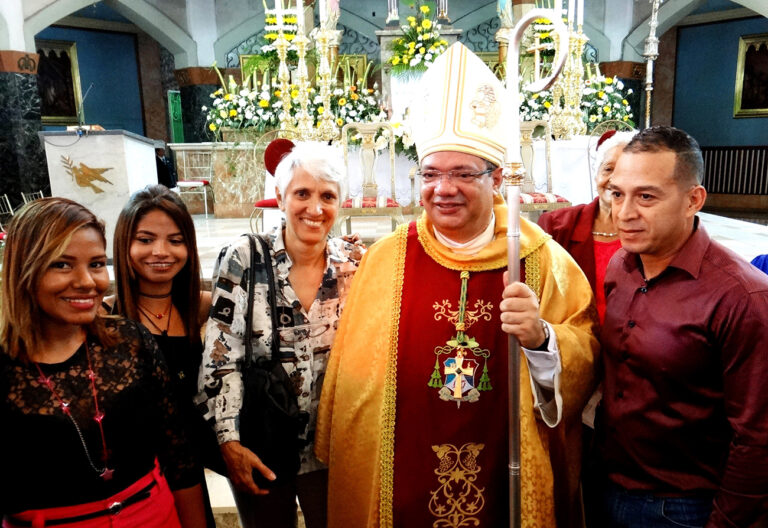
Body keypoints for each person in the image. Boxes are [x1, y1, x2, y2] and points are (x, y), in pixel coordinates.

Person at [315, 42, 599, 527]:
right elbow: (354, 387)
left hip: (502, 475)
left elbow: (584, 363)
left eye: (462, 174)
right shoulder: (386, 259)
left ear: (496, 180)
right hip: (400, 480)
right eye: (430, 174)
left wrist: (542, 338)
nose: (443, 189)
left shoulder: (540, 259)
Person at [597, 126, 768, 527]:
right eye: (617, 193)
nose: (624, 213)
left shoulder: (742, 297)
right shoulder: (621, 266)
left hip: (682, 508)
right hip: (608, 484)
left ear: (694, 199)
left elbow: (758, 437)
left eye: (646, 197)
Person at [0, 198, 205, 527]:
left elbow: (179, 459)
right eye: (62, 265)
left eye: (96, 264)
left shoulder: (130, 340)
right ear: (23, 266)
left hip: (154, 516)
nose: (86, 281)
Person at [198, 139, 364, 528]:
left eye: (327, 195)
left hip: (332, 449)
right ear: (280, 195)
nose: (315, 208)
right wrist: (229, 441)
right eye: (302, 193)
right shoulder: (243, 257)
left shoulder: (353, 267)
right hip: (263, 440)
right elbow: (222, 354)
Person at [107, 184, 217, 526]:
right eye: (145, 239)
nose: (161, 251)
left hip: (191, 470)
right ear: (125, 243)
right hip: (138, 481)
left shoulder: (199, 307)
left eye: (175, 240)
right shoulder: (106, 319)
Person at [538, 129, 637, 323]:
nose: (615, 180)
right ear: (596, 173)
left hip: (630, 347)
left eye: (627, 171)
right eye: (608, 169)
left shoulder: (654, 231)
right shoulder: (557, 227)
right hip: (572, 343)